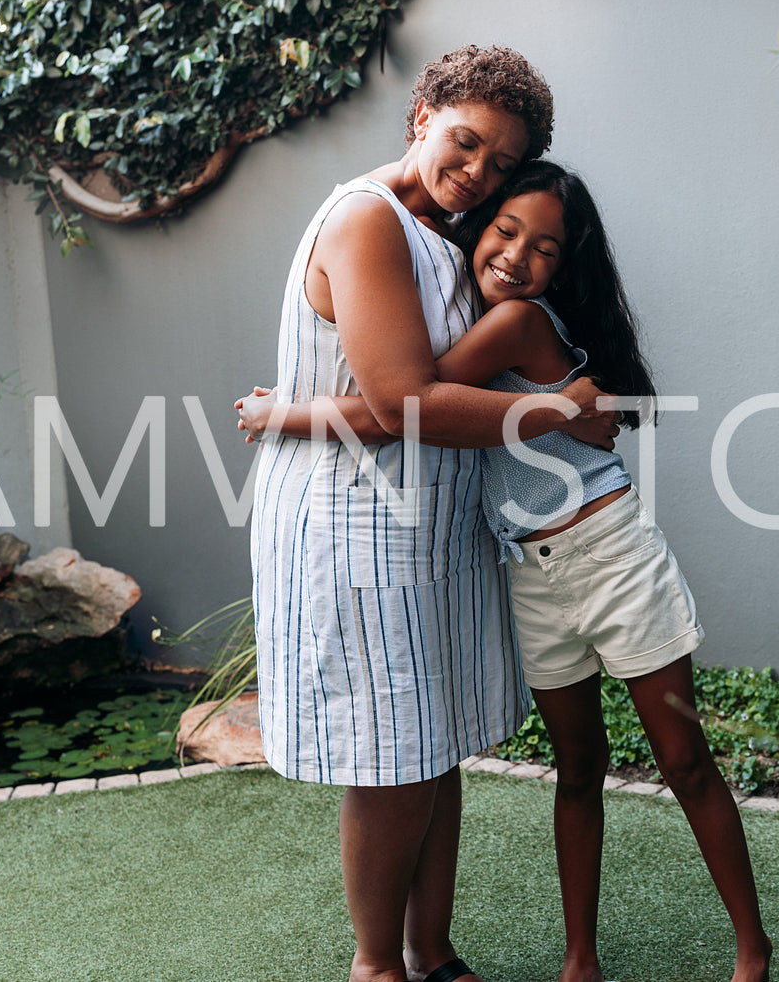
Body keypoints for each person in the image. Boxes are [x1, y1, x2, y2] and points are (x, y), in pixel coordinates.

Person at [239, 162, 773, 982]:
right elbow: (412, 395)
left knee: (683, 759)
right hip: (531, 572)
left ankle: (750, 950)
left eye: (546, 249)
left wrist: (281, 414)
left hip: (608, 553)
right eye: (506, 231)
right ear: (477, 227)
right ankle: (577, 960)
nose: (519, 257)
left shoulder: (517, 323)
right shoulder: (459, 307)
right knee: (577, 771)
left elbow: (398, 409)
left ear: (564, 269)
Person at [243, 47, 618, 982]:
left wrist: (285, 408)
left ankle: (432, 953)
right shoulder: (368, 221)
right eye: (465, 142)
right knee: (390, 756)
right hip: (355, 525)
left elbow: (408, 393)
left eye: (501, 162)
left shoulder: (446, 226)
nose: (478, 173)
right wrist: (560, 409)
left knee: (431, 740)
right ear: (422, 115)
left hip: (431, 524)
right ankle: (378, 968)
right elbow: (407, 401)